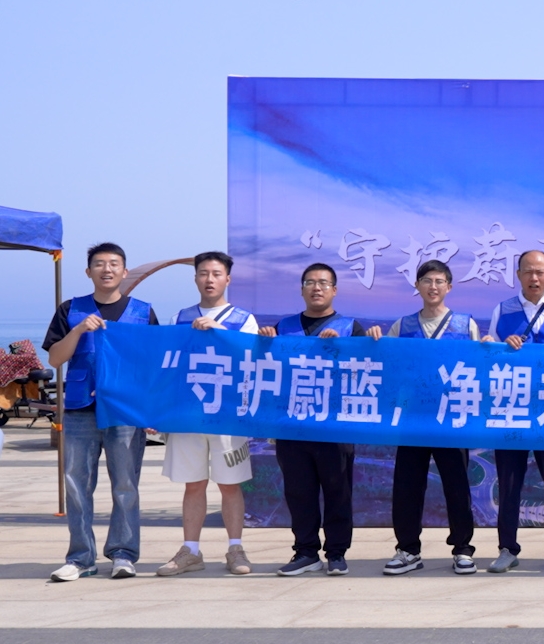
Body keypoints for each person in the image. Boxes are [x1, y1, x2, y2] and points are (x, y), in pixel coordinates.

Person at [43, 242, 159, 582]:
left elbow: (152, 365)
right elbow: (55, 359)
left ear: (125, 271)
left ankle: (123, 554)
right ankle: (81, 558)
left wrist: (149, 411)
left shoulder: (143, 312)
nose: (107, 269)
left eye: (113, 264)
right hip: (80, 409)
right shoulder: (70, 309)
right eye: (99, 264)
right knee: (76, 485)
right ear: (88, 271)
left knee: (125, 485)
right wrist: (78, 330)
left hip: (124, 411)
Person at [367, 260, 481, 576]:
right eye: (427, 280)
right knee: (407, 486)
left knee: (457, 486)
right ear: (417, 286)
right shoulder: (402, 326)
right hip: (413, 420)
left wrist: (487, 348)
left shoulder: (465, 325)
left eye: (439, 281)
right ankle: (408, 549)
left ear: (449, 287)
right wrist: (374, 341)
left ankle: (462, 550)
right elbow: (386, 363)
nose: (433, 286)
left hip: (451, 419)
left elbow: (479, 366)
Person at [154, 252, 259, 577]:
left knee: (230, 485)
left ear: (228, 278)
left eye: (216, 273)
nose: (209, 279)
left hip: (228, 416)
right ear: (195, 278)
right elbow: (167, 364)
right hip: (189, 414)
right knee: (193, 484)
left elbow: (253, 360)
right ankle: (191, 551)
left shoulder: (244, 319)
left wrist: (219, 331)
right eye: (203, 273)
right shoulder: (179, 317)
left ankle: (235, 548)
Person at [259, 262, 365, 576]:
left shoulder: (350, 328)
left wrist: (342, 349)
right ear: (302, 289)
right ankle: (305, 552)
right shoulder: (284, 326)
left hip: (334, 426)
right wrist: (264, 343)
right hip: (292, 425)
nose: (316, 288)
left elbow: (366, 370)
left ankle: (336, 553)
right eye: (310, 282)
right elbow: (268, 369)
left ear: (334, 290)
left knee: (338, 491)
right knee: (299, 492)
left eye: (323, 283)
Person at [484, 249, 544, 574]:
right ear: (518, 275)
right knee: (509, 483)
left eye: (540, 272)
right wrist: (498, 345)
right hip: (512, 406)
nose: (534, 278)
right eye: (527, 271)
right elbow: (489, 355)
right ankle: (507, 548)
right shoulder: (503, 310)